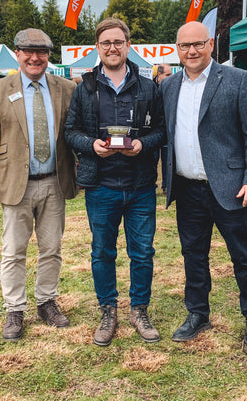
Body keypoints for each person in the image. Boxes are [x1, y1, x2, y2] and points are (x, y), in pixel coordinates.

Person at [161, 21, 247, 347]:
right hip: (187, 188)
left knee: (243, 255)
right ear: (177, 49)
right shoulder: (168, 86)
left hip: (231, 187)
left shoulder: (236, 80)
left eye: (198, 44)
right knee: (193, 254)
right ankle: (197, 313)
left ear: (210, 44)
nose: (191, 51)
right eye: (184, 46)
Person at [65, 17, 165, 347]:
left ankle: (139, 310)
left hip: (139, 187)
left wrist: (143, 145)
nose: (112, 48)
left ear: (127, 46)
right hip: (101, 186)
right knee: (102, 252)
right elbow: (71, 133)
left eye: (118, 42)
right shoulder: (85, 88)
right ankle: (108, 311)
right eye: (106, 43)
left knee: (143, 253)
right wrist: (91, 146)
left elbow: (161, 131)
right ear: (98, 47)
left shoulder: (149, 87)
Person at [0, 28, 78, 341]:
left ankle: (46, 302)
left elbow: (74, 135)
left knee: (52, 248)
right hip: (14, 184)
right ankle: (14, 309)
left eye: (42, 52)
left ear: (49, 55)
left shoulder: (67, 88)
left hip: (54, 182)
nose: (36, 58)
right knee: (13, 250)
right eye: (28, 52)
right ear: (17, 54)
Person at [155, 64, 172, 194]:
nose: (170, 77)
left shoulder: (172, 89)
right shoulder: (151, 88)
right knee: (153, 159)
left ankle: (166, 186)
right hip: (154, 130)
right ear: (159, 75)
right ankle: (151, 183)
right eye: (167, 74)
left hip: (167, 130)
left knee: (167, 159)